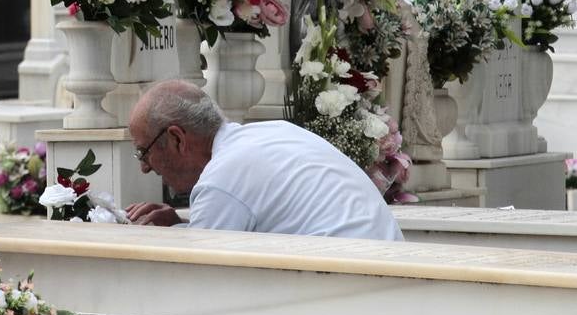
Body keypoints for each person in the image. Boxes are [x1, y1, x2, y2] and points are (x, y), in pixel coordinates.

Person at [125, 79, 403, 241]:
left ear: (177, 139)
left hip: (351, 290)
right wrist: (178, 225)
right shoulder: (275, 131)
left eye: (144, 151)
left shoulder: (221, 180)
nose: (144, 167)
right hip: (387, 269)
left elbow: (200, 276)